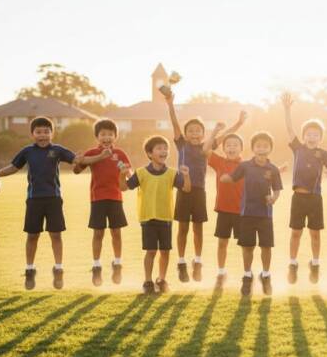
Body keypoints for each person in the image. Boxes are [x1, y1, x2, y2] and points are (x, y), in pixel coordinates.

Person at [0, 117, 105, 290]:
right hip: (34, 200)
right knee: (32, 236)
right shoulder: (27, 151)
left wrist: (94, 157)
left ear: (52, 133)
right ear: (32, 134)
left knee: (56, 235)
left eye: (46, 132)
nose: (42, 135)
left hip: (54, 200)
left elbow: (78, 161)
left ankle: (58, 270)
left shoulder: (57, 150)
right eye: (38, 132)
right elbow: (13, 167)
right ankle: (30, 270)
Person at [161, 85, 245, 283]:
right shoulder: (181, 144)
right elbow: (174, 123)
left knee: (198, 229)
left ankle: (197, 262)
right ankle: (181, 263)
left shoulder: (206, 148)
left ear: (202, 133)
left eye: (198, 131)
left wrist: (239, 123)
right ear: (186, 133)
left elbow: (226, 135)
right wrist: (170, 104)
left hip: (199, 192)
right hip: (183, 190)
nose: (194, 134)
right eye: (191, 131)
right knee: (183, 229)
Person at [120, 136, 191, 294]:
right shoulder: (141, 173)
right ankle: (148, 281)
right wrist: (122, 174)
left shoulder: (172, 173)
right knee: (151, 251)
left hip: (166, 218)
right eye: (159, 148)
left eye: (165, 149)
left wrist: (186, 175)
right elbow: (124, 187)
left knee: (165, 251)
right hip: (148, 218)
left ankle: (161, 279)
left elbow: (186, 189)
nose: (163, 151)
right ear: (150, 153)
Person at [221, 132, 283, 296]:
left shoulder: (273, 169)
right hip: (247, 213)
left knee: (266, 246)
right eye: (258, 146)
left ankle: (266, 275)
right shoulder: (245, 166)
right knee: (248, 246)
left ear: (270, 148)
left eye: (265, 146)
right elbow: (233, 177)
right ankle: (247, 276)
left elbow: (277, 190)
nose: (261, 148)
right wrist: (224, 178)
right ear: (253, 148)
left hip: (265, 215)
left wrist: (274, 198)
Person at [281, 92, 327, 284]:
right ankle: (293, 264)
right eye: (309, 134)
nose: (312, 136)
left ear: (320, 137)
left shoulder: (323, 153)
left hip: (314, 198)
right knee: (296, 232)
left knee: (315, 234)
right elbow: (289, 128)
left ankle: (315, 264)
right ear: (303, 137)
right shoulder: (298, 149)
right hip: (298, 198)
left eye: (316, 134)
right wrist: (287, 110)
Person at [73, 119, 131, 286]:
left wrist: (127, 173)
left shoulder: (119, 154)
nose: (107, 137)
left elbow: (128, 175)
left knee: (116, 233)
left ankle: (117, 264)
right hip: (97, 198)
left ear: (115, 136)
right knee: (98, 233)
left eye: (110, 134)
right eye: (103, 134)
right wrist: (78, 161)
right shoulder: (91, 153)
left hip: (116, 198)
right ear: (97, 137)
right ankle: (96, 267)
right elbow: (77, 170)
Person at [204, 118, 247, 287]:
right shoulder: (219, 161)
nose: (231, 147)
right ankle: (221, 272)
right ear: (223, 148)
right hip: (223, 210)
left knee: (245, 245)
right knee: (222, 242)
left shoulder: (246, 165)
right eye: (228, 145)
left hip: (241, 211)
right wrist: (215, 131)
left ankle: (246, 274)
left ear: (241, 149)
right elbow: (205, 149)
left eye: (235, 145)